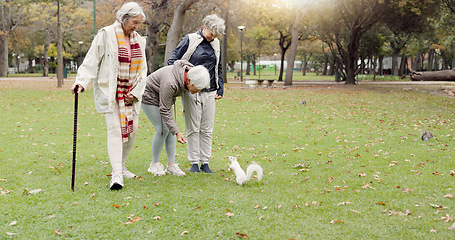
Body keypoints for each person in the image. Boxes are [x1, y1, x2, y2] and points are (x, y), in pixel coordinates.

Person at [71, 2, 147, 190]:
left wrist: (135, 93)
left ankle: (121, 165)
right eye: (134, 22)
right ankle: (117, 174)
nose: (136, 26)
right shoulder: (105, 35)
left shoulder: (140, 40)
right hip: (111, 91)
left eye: (139, 23)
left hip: (131, 94)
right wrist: (81, 81)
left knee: (132, 131)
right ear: (124, 18)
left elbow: (143, 70)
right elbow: (91, 60)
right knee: (114, 129)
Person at [167, 14, 225, 173]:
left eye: (216, 35)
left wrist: (220, 87)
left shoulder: (216, 43)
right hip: (192, 91)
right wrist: (186, 78)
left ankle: (205, 162)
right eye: (211, 33)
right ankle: (194, 162)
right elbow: (172, 61)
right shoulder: (190, 39)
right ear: (205, 26)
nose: (213, 37)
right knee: (193, 128)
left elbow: (218, 66)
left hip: (211, 91)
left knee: (207, 129)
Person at [141, 60, 210, 176]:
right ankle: (154, 164)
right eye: (197, 88)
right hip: (148, 97)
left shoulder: (191, 72)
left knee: (169, 129)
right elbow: (164, 109)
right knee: (162, 129)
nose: (198, 91)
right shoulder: (170, 83)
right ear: (189, 81)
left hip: (163, 97)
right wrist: (177, 132)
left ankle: (171, 165)